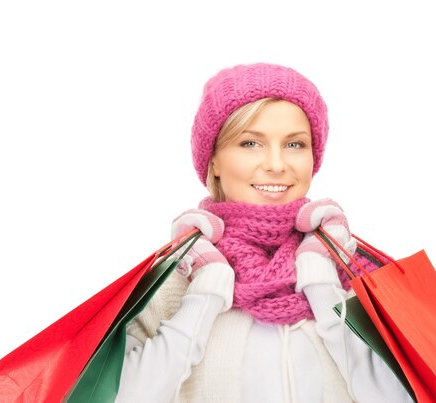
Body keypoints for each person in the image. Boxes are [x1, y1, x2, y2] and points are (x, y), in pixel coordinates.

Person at [115, 63, 413, 403]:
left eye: (295, 145)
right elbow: (122, 396)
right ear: (213, 160)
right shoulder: (170, 282)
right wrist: (207, 288)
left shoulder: (356, 274)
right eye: (250, 143)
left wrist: (320, 277)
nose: (275, 163)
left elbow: (403, 396)